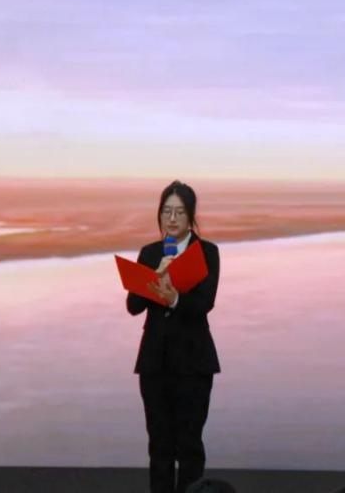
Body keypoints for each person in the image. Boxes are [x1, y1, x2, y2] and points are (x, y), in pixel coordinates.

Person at [128, 180, 221, 493]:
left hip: (194, 363)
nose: (172, 219)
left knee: (190, 444)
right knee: (159, 445)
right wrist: (154, 277)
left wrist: (175, 299)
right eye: (166, 211)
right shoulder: (150, 252)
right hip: (155, 363)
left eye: (179, 212)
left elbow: (205, 303)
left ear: (191, 216)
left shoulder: (207, 252)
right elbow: (133, 306)